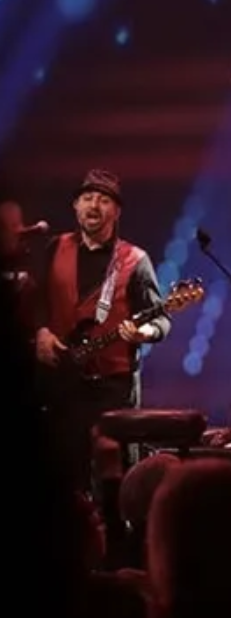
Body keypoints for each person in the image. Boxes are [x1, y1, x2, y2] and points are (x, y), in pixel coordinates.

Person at [32, 170, 167, 490]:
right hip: (62, 384)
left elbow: (161, 320)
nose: (94, 205)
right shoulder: (54, 248)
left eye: (104, 200)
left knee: (114, 476)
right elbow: (35, 301)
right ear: (75, 205)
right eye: (88, 198)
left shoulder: (135, 260)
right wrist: (40, 332)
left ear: (116, 211)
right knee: (63, 475)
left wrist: (144, 333)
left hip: (113, 388)